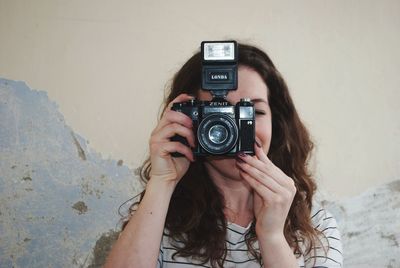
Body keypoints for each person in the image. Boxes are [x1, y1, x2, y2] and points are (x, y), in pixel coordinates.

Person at [105, 42, 343, 268]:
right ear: (188, 121)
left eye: (252, 111)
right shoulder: (155, 213)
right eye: (218, 113)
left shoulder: (317, 225)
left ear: (277, 124)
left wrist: (272, 237)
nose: (234, 128)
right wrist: (162, 182)